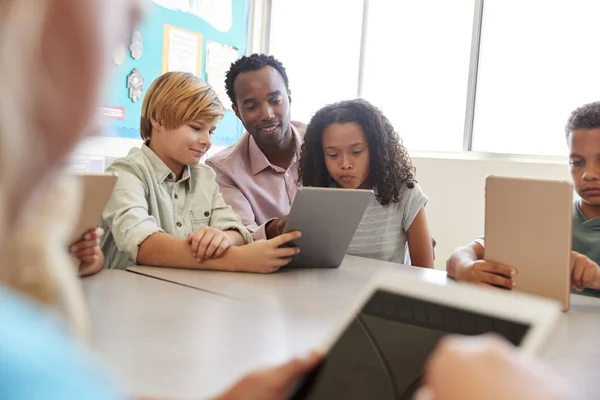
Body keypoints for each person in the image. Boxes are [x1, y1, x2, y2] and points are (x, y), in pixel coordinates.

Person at [0, 0, 569, 398]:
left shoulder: (287, 157)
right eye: (121, 20)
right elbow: (156, 241)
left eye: (275, 100)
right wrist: (245, 245)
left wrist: (229, 238)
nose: (343, 163)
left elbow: (230, 226)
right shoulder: (206, 169)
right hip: (202, 301)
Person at [100, 71, 300, 272]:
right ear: (157, 120)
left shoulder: (204, 177)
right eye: (196, 128)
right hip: (128, 296)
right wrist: (237, 259)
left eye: (210, 131)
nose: (207, 141)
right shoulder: (126, 173)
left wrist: (223, 238)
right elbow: (145, 246)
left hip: (184, 294)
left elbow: (237, 231)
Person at [446, 102, 600, 294]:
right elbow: (461, 254)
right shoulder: (547, 217)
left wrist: (596, 278)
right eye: (577, 162)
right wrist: (464, 269)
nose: (589, 174)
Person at [298, 99, 434, 268]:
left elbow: (424, 272)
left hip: (387, 292)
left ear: (376, 150)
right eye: (333, 155)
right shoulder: (317, 194)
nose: (345, 164)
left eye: (356, 152)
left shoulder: (405, 193)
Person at [206, 54, 303, 240]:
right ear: (237, 111)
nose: (267, 114)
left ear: (289, 98)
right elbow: (239, 231)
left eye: (275, 101)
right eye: (251, 107)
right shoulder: (223, 170)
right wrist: (276, 228)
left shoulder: (325, 143)